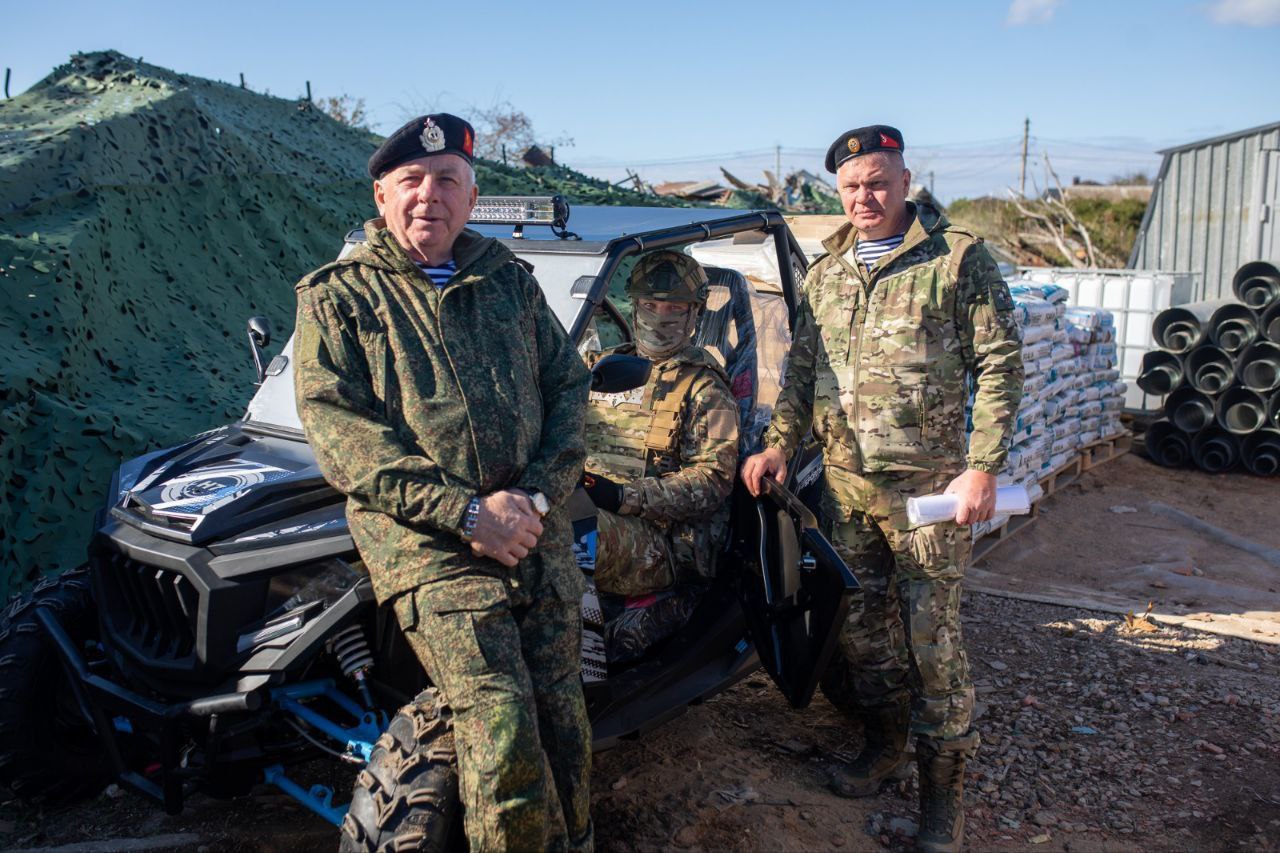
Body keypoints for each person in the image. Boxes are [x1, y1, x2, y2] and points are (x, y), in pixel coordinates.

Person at [293, 113, 593, 851]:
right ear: (382, 193)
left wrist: (536, 500)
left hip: (533, 531)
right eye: (412, 181)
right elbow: (347, 441)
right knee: (501, 733)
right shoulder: (339, 297)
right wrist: (465, 512)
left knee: (565, 720)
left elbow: (569, 391)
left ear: (472, 192)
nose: (431, 196)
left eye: (448, 181)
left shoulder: (507, 283)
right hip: (433, 549)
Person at [741, 125, 1023, 852]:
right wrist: (778, 444)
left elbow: (1000, 362)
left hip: (928, 494)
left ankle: (942, 798)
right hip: (845, 489)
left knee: (935, 647)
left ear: (903, 181)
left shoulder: (955, 260)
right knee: (864, 637)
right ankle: (884, 744)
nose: (864, 197)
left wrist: (983, 462)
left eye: (877, 182)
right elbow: (802, 370)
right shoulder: (828, 271)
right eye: (851, 186)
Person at [579, 251, 739, 662]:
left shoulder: (704, 388)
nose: (659, 318)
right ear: (634, 306)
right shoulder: (599, 366)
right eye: (650, 306)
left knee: (568, 535)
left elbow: (713, 481)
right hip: (580, 503)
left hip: (657, 543)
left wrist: (626, 497)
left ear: (694, 314)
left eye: (674, 308)